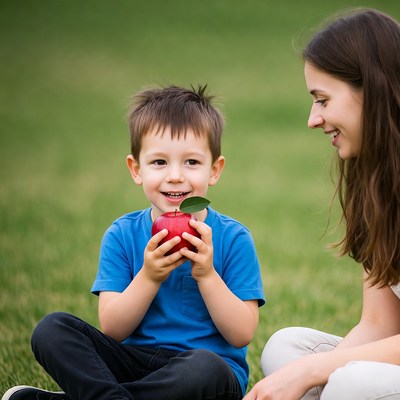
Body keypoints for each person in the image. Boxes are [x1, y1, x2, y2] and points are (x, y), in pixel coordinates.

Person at [2, 85, 265, 400]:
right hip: (134, 363)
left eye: (192, 163)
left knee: (205, 367)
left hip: (204, 376)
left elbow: (241, 334)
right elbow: (113, 329)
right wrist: (149, 276)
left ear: (215, 170)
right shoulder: (122, 234)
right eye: (159, 163)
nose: (176, 176)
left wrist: (207, 275)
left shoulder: (233, 238)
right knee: (52, 330)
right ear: (136, 169)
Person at [244, 8, 400, 400]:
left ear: (372, 90)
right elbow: (381, 323)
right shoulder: (377, 183)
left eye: (323, 99)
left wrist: (315, 370)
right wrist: (302, 372)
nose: (314, 119)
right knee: (285, 351)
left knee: (346, 383)